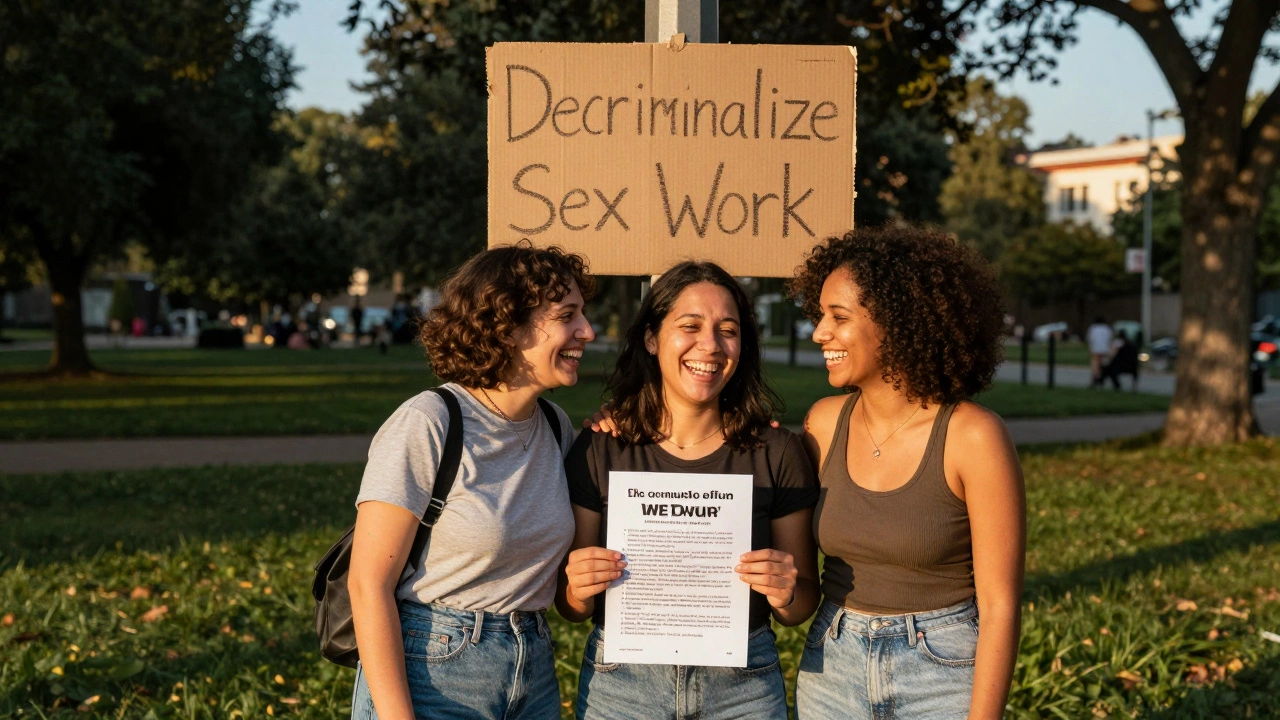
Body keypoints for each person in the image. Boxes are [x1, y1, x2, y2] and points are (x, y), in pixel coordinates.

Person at [558, 261, 820, 720]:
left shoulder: (778, 450)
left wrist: (784, 591)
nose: (711, 346)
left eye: (727, 330)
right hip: (623, 684)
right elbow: (571, 607)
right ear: (652, 338)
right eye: (690, 326)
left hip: (744, 688)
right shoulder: (601, 448)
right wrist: (577, 588)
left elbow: (799, 607)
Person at [348, 243, 596, 720]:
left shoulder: (555, 425)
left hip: (534, 668)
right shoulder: (428, 422)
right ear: (508, 327)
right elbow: (367, 584)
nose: (587, 331)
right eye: (568, 316)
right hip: (433, 666)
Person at [789, 225, 1025, 720]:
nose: (819, 333)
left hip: (942, 670)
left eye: (838, 316)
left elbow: (1000, 605)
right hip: (832, 664)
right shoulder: (823, 423)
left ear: (896, 322)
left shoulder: (973, 436)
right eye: (819, 315)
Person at [1086, 316, 1113, 387]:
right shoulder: (1107, 329)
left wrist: (1090, 350)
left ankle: (1094, 380)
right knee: (1103, 365)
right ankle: (1101, 379)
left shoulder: (1093, 328)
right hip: (1105, 349)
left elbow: (1090, 340)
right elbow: (1110, 340)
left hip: (1096, 349)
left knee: (1095, 365)